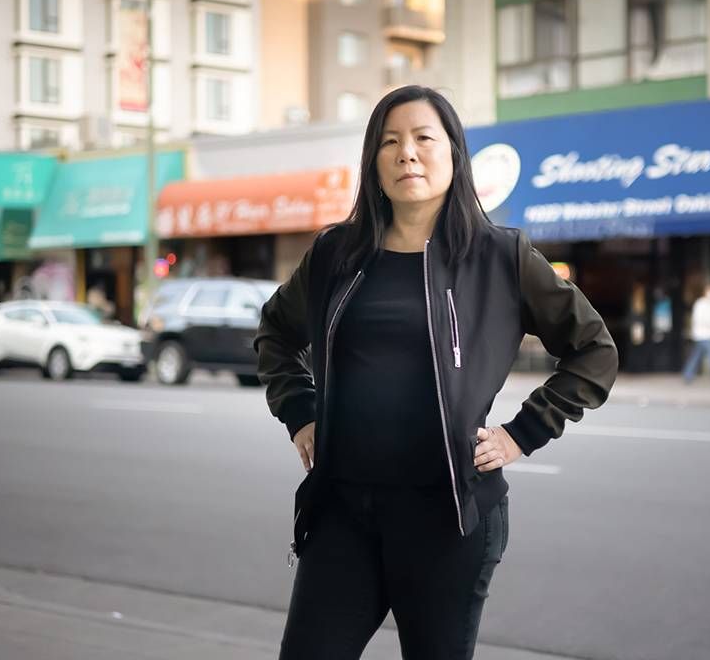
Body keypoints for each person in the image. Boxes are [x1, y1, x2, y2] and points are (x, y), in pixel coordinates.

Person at [254, 85, 618, 660]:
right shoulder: (335, 255)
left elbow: (594, 350)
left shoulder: (500, 256)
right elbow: (275, 333)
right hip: (343, 512)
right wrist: (300, 413)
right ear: (373, 162)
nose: (407, 154)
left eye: (424, 138)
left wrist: (523, 433)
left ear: (454, 154)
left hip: (448, 517)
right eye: (390, 142)